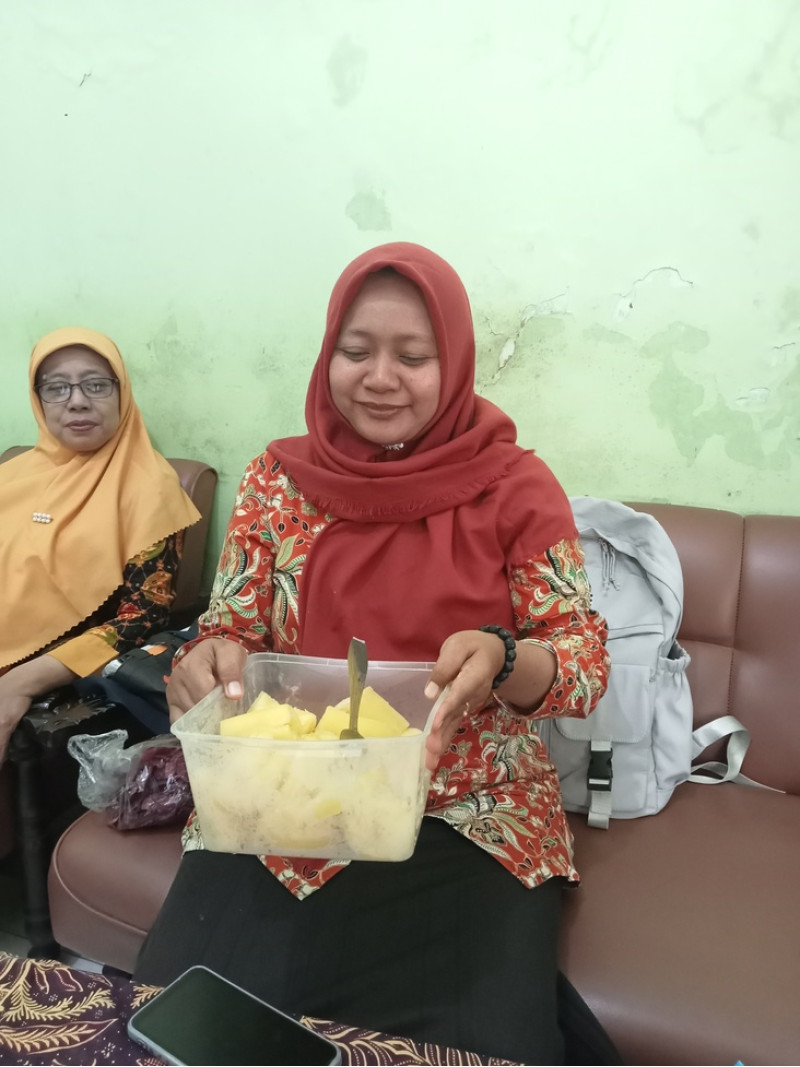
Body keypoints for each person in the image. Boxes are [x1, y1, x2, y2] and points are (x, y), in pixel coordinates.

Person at [136, 244, 618, 1064]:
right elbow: (232, 626)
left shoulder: (513, 486)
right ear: (328, 355)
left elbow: (581, 660)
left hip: (465, 804)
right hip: (283, 798)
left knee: (474, 1042)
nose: (380, 378)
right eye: (355, 351)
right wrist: (208, 658)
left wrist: (504, 658)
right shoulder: (276, 480)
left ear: (453, 363)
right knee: (190, 1026)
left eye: (413, 357)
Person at [0, 327, 201, 760]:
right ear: (38, 399)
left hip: (43, 668)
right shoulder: (12, 475)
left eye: (95, 385)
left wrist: (20, 682)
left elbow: (142, 617)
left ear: (121, 392)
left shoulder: (149, 487)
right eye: (56, 387)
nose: (76, 401)